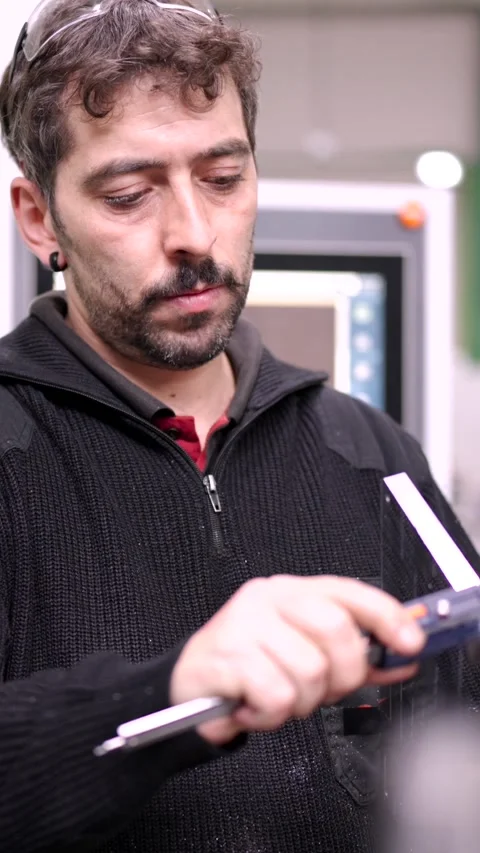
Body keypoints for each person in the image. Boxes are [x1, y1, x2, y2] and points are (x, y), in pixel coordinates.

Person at [0, 1, 477, 851]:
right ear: (40, 218)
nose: (194, 233)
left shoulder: (370, 454)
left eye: (223, 178)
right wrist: (167, 692)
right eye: (128, 194)